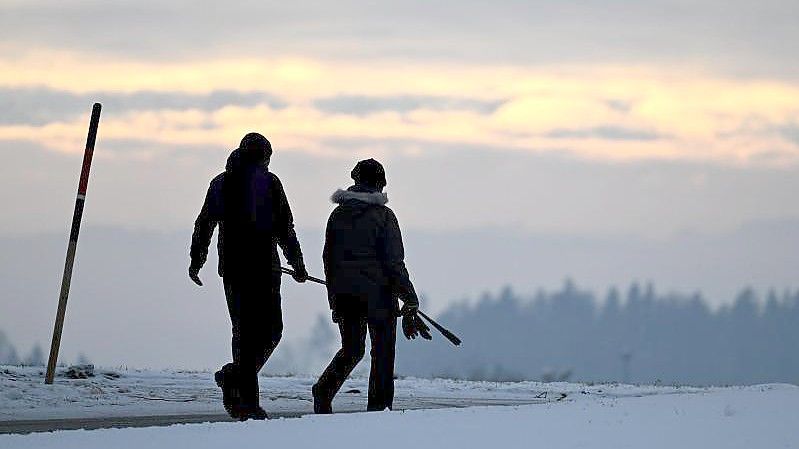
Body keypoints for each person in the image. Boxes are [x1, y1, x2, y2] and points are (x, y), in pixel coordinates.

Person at [189, 132, 308, 420]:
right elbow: (285, 228)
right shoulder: (269, 182)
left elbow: (204, 224)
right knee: (269, 330)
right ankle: (247, 402)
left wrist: (197, 259)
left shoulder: (221, 182)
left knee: (244, 334)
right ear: (264, 156)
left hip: (236, 269)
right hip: (263, 267)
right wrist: (298, 264)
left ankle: (236, 380)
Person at [312, 158, 429, 414]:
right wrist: (410, 298)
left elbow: (328, 259)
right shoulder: (384, 216)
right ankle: (379, 410)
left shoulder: (337, 215)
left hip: (345, 295)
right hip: (379, 297)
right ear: (380, 183)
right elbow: (394, 263)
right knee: (383, 352)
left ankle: (323, 389)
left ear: (355, 180)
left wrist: (334, 298)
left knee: (352, 348)